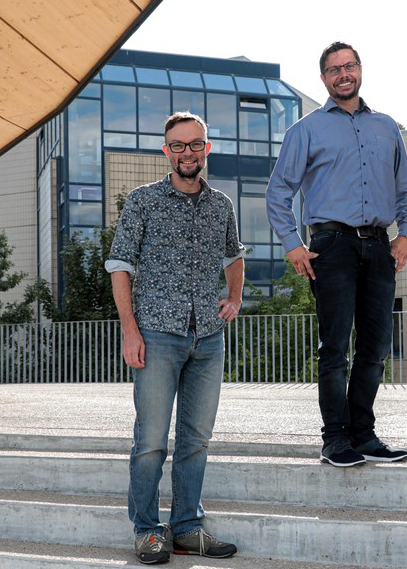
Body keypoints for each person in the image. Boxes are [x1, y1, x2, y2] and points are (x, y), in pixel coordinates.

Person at [266, 41, 407, 468]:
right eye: (334, 69)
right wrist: (293, 244)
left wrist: (405, 234)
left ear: (360, 70)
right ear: (324, 79)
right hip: (330, 245)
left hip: (379, 244)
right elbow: (279, 192)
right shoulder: (305, 130)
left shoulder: (387, 127)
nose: (343, 74)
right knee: (335, 348)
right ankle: (335, 439)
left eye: (349, 65)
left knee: (376, 346)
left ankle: (364, 436)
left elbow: (406, 189)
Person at [106, 111, 245, 564]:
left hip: (208, 336)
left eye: (196, 144)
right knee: (150, 441)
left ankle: (187, 527)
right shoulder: (143, 201)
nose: (188, 152)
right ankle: (148, 530)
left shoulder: (221, 204)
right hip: (157, 334)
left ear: (207, 148)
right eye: (178, 145)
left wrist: (235, 298)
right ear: (166, 151)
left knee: (196, 439)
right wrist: (130, 330)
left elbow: (233, 254)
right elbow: (120, 266)